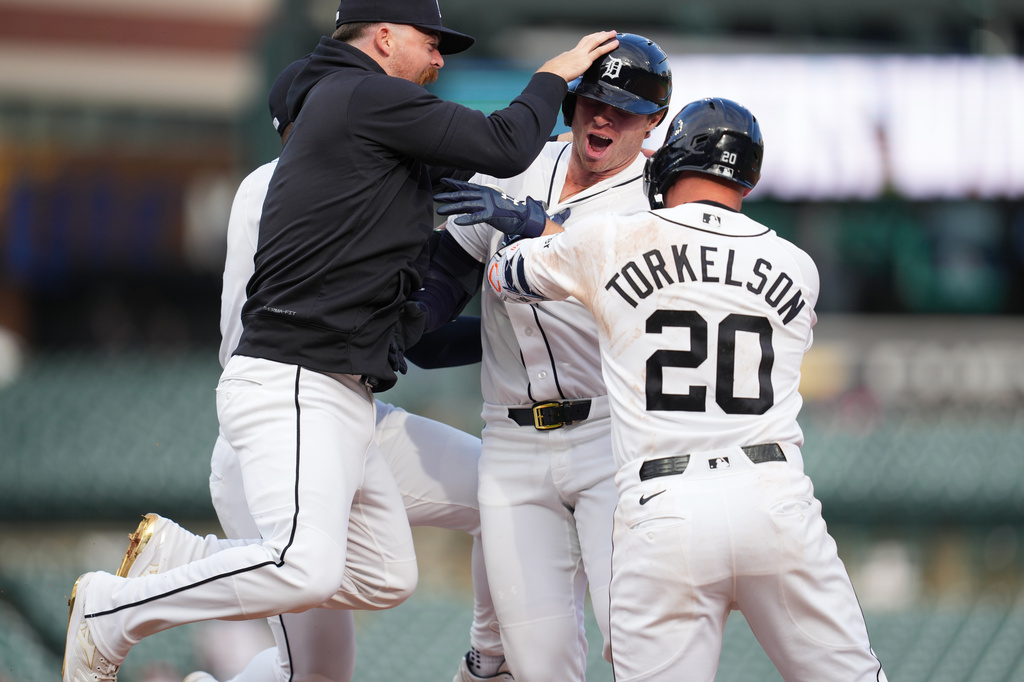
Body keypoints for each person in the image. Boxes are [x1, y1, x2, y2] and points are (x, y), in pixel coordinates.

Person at [61, 0, 620, 677]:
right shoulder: (348, 108)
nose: (441, 59)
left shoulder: (370, 167)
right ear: (384, 37)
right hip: (292, 392)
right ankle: (115, 608)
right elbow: (502, 146)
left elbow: (412, 323)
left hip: (340, 396)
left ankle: (185, 563)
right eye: (430, 41)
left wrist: (520, 313)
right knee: (307, 578)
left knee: (386, 578)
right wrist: (553, 77)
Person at [439, 97, 889, 682]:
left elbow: (507, 275)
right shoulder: (798, 265)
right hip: (776, 497)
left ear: (668, 160)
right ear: (748, 179)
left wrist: (529, 222)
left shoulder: (611, 239)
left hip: (666, 506)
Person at [111, 57, 504, 682]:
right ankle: (179, 568)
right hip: (284, 426)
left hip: (340, 409)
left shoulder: (336, 187)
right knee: (317, 671)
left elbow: (409, 332)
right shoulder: (290, 187)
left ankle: (494, 662)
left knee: (501, 489)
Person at [413, 34, 672, 682]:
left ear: (655, 122)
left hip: (613, 435)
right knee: (539, 664)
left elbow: (638, 289)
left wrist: (537, 227)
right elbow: (449, 275)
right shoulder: (518, 167)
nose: (603, 117)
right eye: (593, 100)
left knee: (636, 637)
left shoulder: (662, 199)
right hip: (511, 442)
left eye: (624, 108)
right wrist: (408, 319)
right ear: (572, 103)